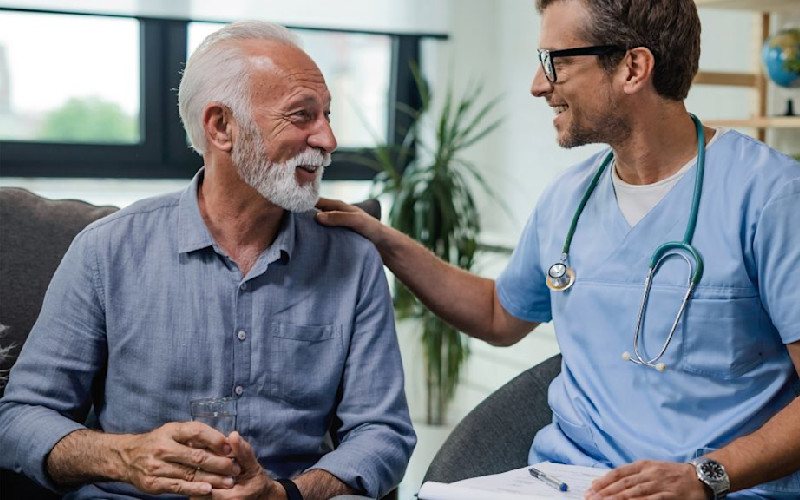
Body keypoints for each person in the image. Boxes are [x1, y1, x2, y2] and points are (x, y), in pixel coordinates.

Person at [316, 0, 800, 498]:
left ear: (633, 67)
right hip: (562, 481)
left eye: (556, 62)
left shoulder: (771, 197)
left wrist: (707, 475)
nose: (538, 84)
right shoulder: (569, 197)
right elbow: (498, 314)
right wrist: (384, 240)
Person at [0, 21, 415, 500]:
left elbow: (383, 433)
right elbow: (18, 419)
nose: (328, 139)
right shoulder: (106, 250)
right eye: (302, 116)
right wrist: (124, 456)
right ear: (221, 127)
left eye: (326, 114)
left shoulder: (352, 260)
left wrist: (287, 494)